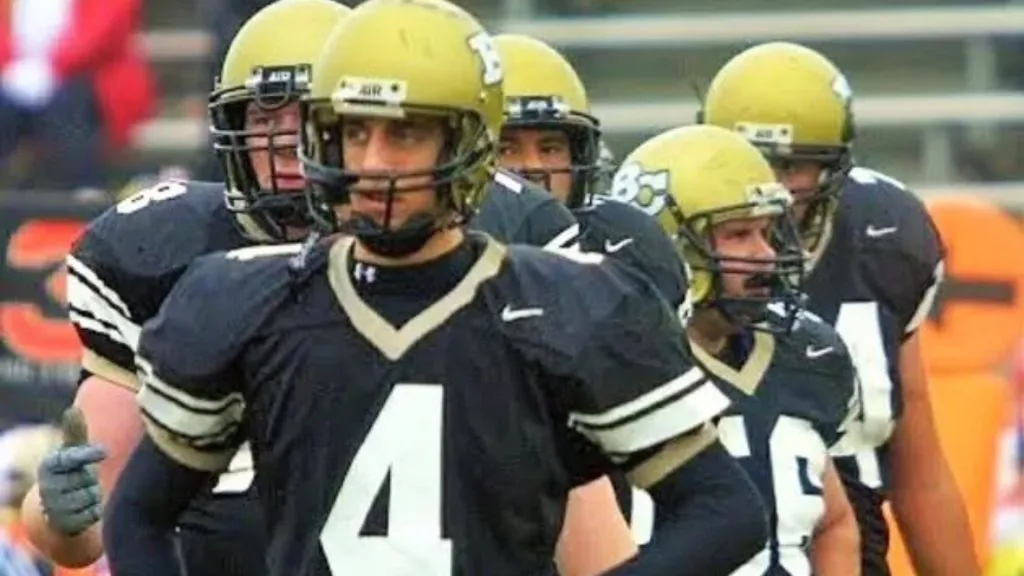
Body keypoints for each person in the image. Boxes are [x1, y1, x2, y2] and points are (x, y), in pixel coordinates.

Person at [103, 1, 768, 575]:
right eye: (353, 131)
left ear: (470, 142)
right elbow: (137, 516)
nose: (371, 162)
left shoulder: (564, 305)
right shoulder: (246, 299)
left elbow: (724, 510)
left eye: (405, 133)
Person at [18, 0, 354, 572]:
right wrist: (54, 512)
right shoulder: (161, 251)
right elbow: (83, 531)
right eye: (265, 119)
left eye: (310, 120)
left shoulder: (452, 252)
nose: (286, 146)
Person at [700, 41, 979, 575]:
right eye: (756, 163)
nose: (771, 190)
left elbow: (918, 467)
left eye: (794, 166)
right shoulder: (655, 259)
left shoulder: (886, 237)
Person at [611, 123, 861, 574]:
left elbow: (834, 521)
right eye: (739, 234)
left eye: (767, 231)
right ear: (670, 247)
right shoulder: (610, 361)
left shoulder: (806, 353)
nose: (766, 253)